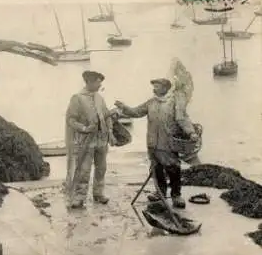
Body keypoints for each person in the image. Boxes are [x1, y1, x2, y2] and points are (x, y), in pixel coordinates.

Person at [115, 78, 198, 209]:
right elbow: (136, 112)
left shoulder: (174, 102)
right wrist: (124, 107)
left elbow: (182, 119)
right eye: (154, 86)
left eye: (157, 86)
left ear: (166, 88)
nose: (154, 88)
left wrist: (191, 132)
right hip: (153, 143)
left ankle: (176, 195)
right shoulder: (151, 102)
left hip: (169, 143)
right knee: (157, 168)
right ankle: (161, 193)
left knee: (173, 168)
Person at [65, 71, 117, 209]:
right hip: (86, 140)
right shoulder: (77, 98)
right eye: (98, 82)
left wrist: (110, 132)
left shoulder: (100, 98)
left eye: (100, 82)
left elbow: (106, 116)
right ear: (89, 81)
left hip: (101, 139)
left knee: (102, 168)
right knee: (84, 169)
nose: (100, 84)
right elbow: (70, 119)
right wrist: (84, 128)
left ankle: (98, 194)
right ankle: (79, 197)